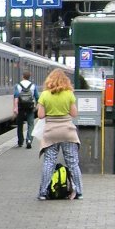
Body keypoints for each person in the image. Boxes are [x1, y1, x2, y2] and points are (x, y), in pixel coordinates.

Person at [36, 68, 83, 200]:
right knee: (73, 163)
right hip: (67, 132)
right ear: (65, 81)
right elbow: (74, 114)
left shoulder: (45, 95)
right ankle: (79, 192)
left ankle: (43, 193)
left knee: (49, 162)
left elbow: (40, 115)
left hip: (51, 132)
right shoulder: (69, 94)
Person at [13, 70, 38, 149]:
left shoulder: (18, 85)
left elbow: (16, 97)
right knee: (31, 124)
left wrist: (15, 108)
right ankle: (29, 140)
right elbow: (37, 97)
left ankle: (20, 141)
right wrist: (36, 106)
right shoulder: (33, 86)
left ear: (23, 76)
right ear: (29, 77)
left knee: (20, 124)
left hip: (20, 107)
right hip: (30, 107)